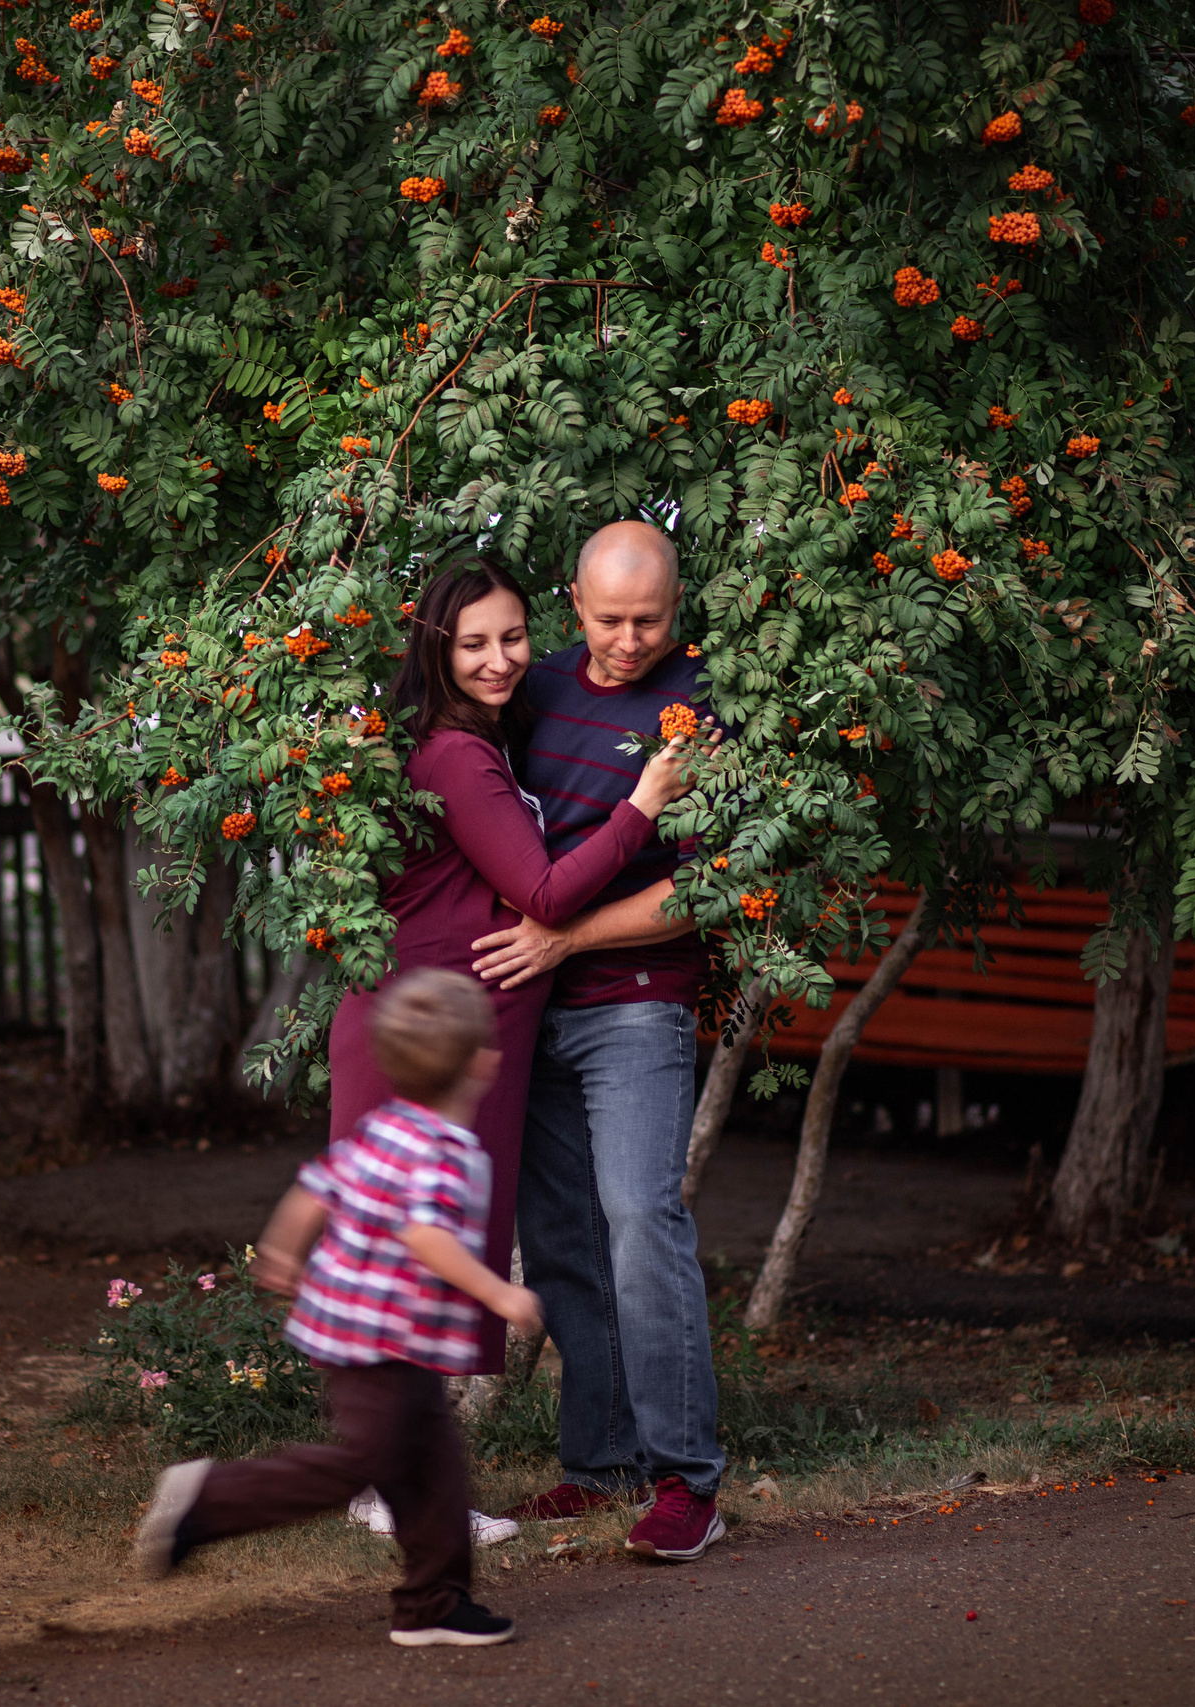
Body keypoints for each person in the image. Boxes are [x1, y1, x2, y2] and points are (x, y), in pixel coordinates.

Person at [134, 969, 541, 1647]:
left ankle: (434, 1602)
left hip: (381, 1336)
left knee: (434, 1469)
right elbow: (426, 1234)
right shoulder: (444, 1152)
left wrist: (281, 1248)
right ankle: (207, 1499)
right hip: (378, 1342)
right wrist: (499, 1292)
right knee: (367, 1463)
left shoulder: (384, 1126)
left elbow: (316, 1186)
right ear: (481, 1065)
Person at [478, 519, 729, 1562]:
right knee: (565, 1239)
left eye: (650, 621)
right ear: (574, 605)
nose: (630, 642)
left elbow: (705, 887)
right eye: (611, 619)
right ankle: (603, 1462)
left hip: (635, 1004)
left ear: (677, 609)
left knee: (638, 1218)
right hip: (532, 1007)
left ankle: (687, 1482)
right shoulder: (535, 691)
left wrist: (565, 938)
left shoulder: (700, 708)